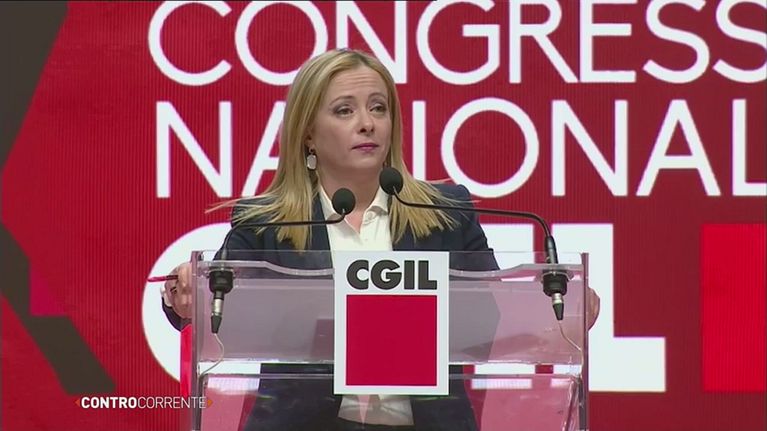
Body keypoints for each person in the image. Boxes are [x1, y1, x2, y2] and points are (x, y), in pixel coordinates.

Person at [162, 48, 600, 430]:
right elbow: (216, 310)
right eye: (344, 111)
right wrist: (184, 295)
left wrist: (564, 310)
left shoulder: (446, 214)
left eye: (378, 108)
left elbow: (490, 321)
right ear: (308, 132)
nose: (367, 124)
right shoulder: (266, 223)